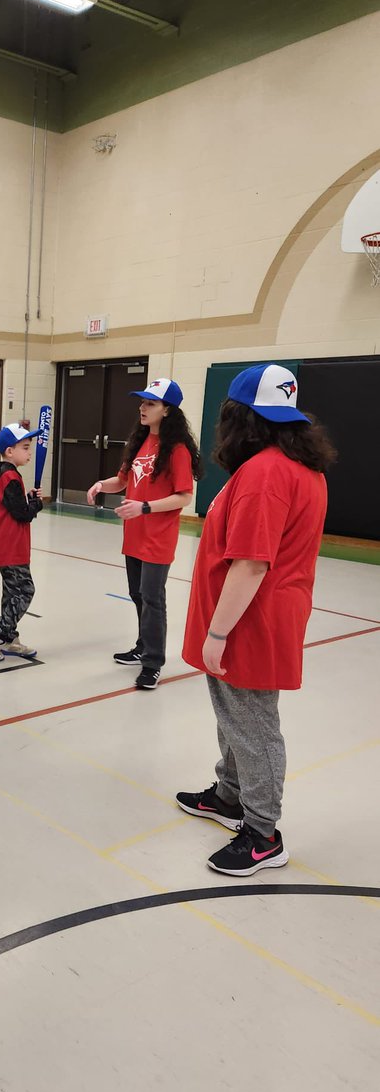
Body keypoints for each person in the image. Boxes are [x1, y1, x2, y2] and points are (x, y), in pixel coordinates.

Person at [176, 364, 335, 876]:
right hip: (253, 614)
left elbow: (251, 563)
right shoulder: (294, 466)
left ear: (241, 417)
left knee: (253, 724)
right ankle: (229, 794)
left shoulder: (267, 473)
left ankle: (263, 833)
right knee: (234, 715)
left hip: (251, 620)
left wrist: (218, 632)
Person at [86, 378, 202, 690]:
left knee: (153, 598)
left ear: (167, 410)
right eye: (142, 402)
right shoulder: (140, 442)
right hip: (134, 534)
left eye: (150, 403)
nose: (142, 407)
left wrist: (146, 507)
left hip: (157, 536)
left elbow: (183, 496)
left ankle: (153, 662)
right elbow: (123, 481)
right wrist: (101, 485)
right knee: (138, 595)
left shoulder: (176, 450)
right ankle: (142, 645)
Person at [0, 423, 43, 661]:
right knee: (25, 590)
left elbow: (13, 506)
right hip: (10, 546)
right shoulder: (9, 477)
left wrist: (27, 500)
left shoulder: (3, 474)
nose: (29, 452)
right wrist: (35, 505)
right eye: (25, 448)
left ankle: (9, 638)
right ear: (9, 451)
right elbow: (22, 513)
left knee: (11, 593)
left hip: (6, 544)